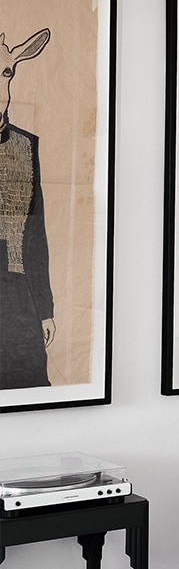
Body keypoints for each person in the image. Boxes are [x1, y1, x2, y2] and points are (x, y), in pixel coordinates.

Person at [0, 28, 54, 389]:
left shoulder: (24, 146)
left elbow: (35, 232)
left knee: (29, 390)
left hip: (17, 294)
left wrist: (45, 309)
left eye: (4, 72)